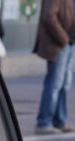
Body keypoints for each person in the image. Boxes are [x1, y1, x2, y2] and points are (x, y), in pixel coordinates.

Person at [33, 0, 75, 134]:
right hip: (59, 45)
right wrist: (64, 39)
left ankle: (60, 121)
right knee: (55, 83)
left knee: (64, 83)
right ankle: (44, 122)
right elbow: (48, 16)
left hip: (68, 44)